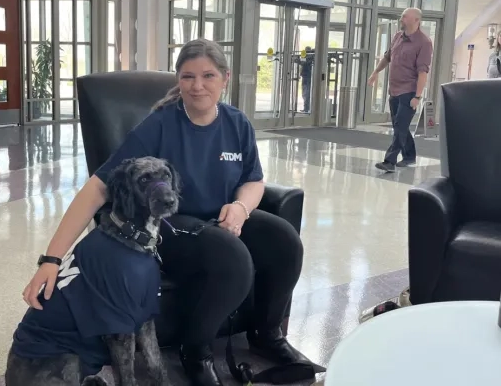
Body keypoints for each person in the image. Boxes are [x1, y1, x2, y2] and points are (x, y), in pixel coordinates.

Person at [22, 39, 305, 386]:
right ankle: (195, 350)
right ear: (178, 80)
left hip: (221, 217)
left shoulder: (236, 123)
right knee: (234, 259)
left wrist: (241, 207)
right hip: (168, 224)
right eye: (187, 77)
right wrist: (51, 258)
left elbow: (254, 180)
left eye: (208, 76)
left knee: (285, 242)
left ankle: (266, 331)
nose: (197, 86)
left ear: (225, 78)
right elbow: (99, 187)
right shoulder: (159, 125)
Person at [368, 8, 433, 172]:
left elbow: (422, 72)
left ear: (416, 20)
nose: (401, 18)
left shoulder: (424, 43)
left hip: (409, 91)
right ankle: (410, 156)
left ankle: (389, 161)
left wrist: (417, 97)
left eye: (405, 16)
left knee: (400, 125)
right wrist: (375, 72)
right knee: (400, 126)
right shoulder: (397, 36)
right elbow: (387, 57)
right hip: (394, 90)